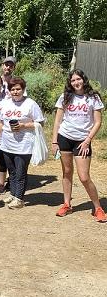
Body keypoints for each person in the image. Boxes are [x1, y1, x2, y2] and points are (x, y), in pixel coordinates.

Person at [51, 69, 105, 222]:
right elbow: (57, 121)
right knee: (67, 172)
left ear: (83, 79)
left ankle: (98, 208)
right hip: (64, 138)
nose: (76, 83)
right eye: (73, 80)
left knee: (84, 177)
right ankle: (67, 204)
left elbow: (98, 122)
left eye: (78, 79)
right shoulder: (65, 97)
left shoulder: (93, 98)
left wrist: (88, 140)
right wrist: (54, 141)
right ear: (70, 82)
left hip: (83, 141)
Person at [0, 77, 44, 210]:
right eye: (13, 89)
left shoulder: (31, 104)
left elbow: (40, 122)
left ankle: (19, 198)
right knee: (12, 171)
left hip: (24, 145)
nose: (15, 91)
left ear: (23, 89)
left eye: (18, 89)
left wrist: (24, 125)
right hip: (8, 143)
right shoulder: (6, 103)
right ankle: (13, 194)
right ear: (9, 91)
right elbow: (1, 122)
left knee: (20, 172)